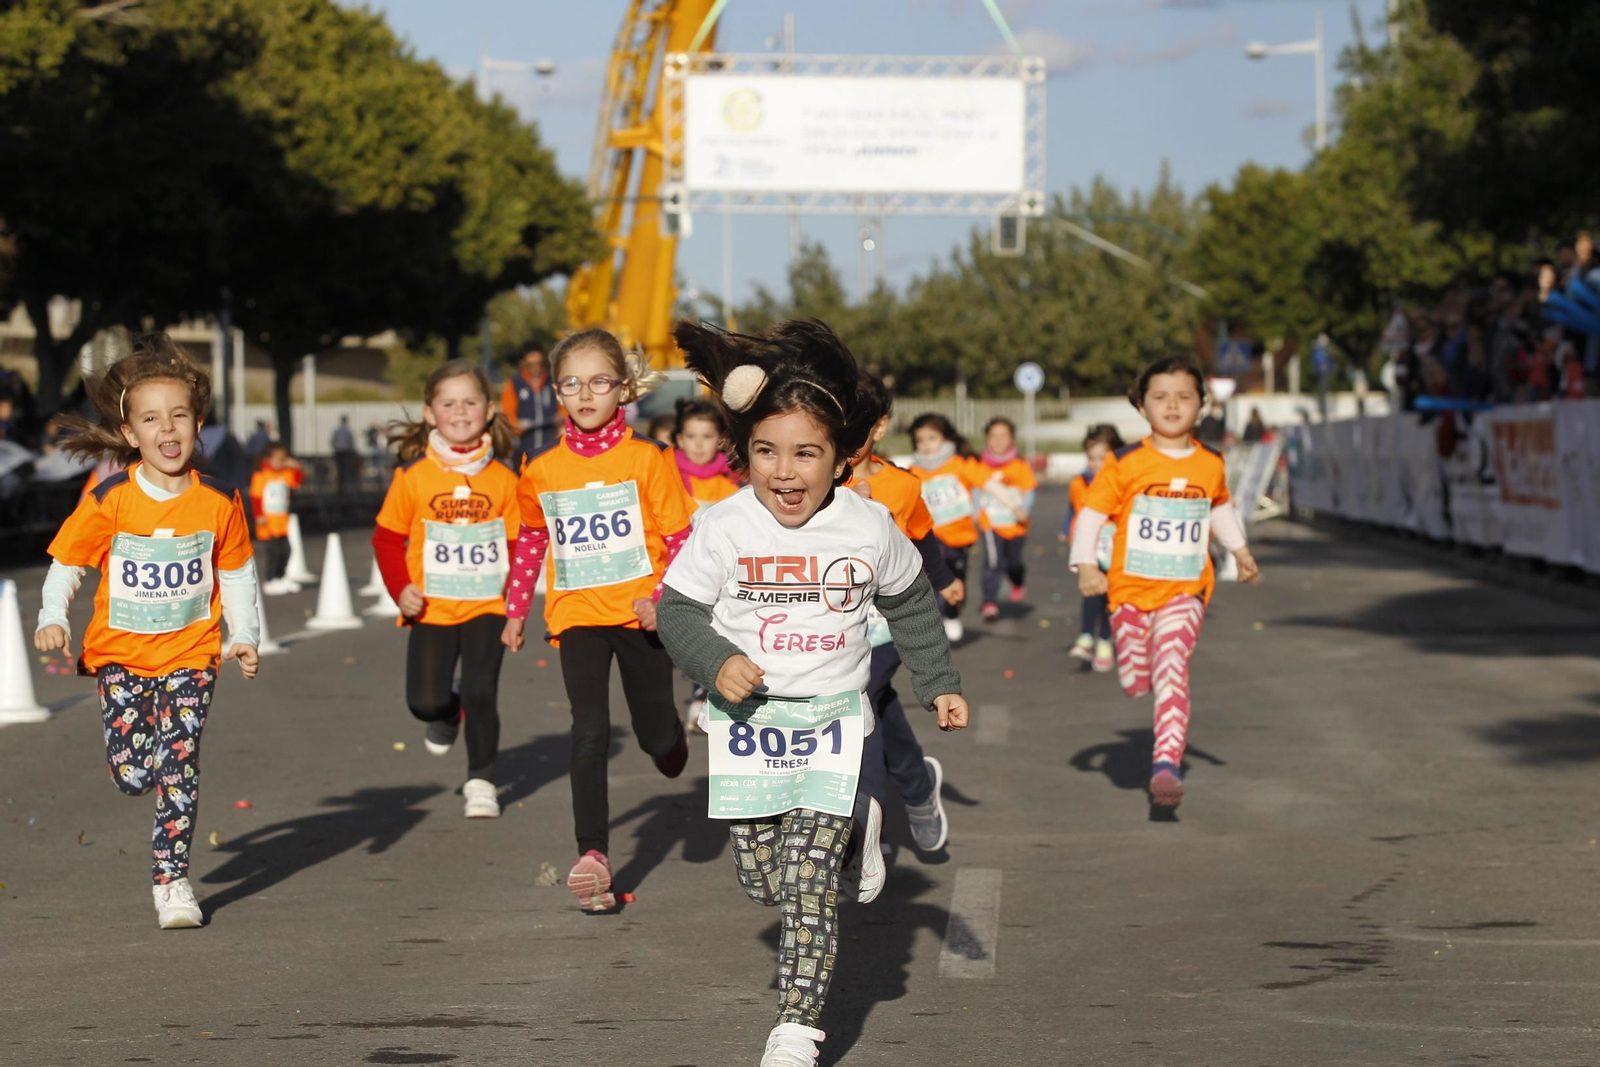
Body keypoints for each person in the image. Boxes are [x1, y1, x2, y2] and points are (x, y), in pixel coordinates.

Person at [657, 319, 968, 1067]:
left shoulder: (869, 525)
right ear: (744, 452)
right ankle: (863, 825)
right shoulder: (724, 524)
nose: (785, 472)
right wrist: (716, 661)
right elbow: (677, 610)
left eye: (806, 453)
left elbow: (911, 600)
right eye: (767, 451)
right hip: (747, 726)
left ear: (842, 457)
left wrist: (938, 682)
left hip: (833, 723)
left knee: (806, 883)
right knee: (762, 878)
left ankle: (795, 1029)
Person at [33, 331, 260, 929]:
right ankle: (139, 769)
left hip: (191, 654)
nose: (167, 428)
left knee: (179, 765)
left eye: (179, 415)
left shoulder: (219, 501)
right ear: (131, 433)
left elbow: (237, 572)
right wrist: (52, 616)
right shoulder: (111, 498)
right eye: (151, 419)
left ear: (197, 423)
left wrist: (244, 634)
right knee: (135, 775)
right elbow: (67, 564)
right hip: (121, 658)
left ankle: (172, 881)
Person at [500, 328, 696, 910]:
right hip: (577, 613)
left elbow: (682, 540)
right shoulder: (540, 466)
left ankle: (669, 741)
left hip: (640, 615)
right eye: (571, 383)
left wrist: (661, 599)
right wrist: (515, 610)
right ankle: (593, 855)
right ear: (556, 391)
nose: (585, 395)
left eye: (599, 382)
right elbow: (531, 538)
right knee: (587, 730)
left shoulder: (649, 458)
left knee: (654, 733)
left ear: (624, 389)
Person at [1069, 357, 1259, 812]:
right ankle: (1136, 670)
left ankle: (1166, 766)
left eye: (1184, 397)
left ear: (1201, 405)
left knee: (1173, 667)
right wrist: (1087, 566)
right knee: (1138, 681)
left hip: (1186, 589)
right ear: (1142, 406)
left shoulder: (1210, 462)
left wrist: (1240, 551)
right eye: (1160, 397)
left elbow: (1219, 507)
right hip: (1129, 592)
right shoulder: (1124, 462)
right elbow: (1092, 515)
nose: (1172, 405)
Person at [372, 361, 520, 819]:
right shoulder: (413, 476)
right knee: (425, 702)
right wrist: (401, 589)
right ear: (429, 413)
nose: (459, 412)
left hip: (487, 604)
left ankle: (482, 781)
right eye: (448, 403)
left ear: (489, 410)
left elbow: (519, 545)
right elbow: (386, 539)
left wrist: (514, 602)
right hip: (431, 606)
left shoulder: (505, 480)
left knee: (481, 690)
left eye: (470, 402)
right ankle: (447, 710)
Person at [847, 370, 964, 853]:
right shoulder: (813, 479)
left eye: (857, 424)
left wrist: (945, 580)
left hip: (889, 620)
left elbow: (923, 538)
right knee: (876, 702)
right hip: (835, 620)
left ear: (880, 426)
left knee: (860, 696)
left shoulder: (902, 485)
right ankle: (918, 787)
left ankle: (867, 821)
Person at [907, 413, 987, 643]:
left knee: (956, 579)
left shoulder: (960, 463)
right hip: (929, 536)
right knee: (931, 578)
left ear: (946, 438)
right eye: (920, 440)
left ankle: (952, 614)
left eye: (932, 438)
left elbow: (987, 482)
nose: (926, 445)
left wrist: (1014, 505)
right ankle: (933, 619)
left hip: (959, 538)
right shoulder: (914, 470)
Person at [1062, 424, 1123, 673]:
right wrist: (1066, 529)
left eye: (1102, 458)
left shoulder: (1121, 483)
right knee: (1090, 591)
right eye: (1091, 458)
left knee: (1109, 597)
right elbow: (1073, 509)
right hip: (1090, 548)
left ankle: (1105, 641)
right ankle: (1086, 636)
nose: (1096, 464)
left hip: (1115, 548)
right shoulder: (1079, 483)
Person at [974, 417, 1037, 621]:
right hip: (990, 524)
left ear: (1012, 439)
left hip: (1016, 525)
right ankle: (989, 601)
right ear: (987, 438)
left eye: (1004, 436)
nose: (999, 440)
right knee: (993, 561)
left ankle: (1017, 581)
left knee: (1013, 563)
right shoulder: (980, 465)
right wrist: (974, 513)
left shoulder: (1020, 465)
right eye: (994, 436)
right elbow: (976, 490)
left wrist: (1023, 510)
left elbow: (1029, 491)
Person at [250, 443, 304, 595]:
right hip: (269, 522)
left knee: (286, 550)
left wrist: (296, 466)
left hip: (282, 522)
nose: (281, 462)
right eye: (278, 459)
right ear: (268, 459)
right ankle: (270, 579)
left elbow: (298, 480)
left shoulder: (285, 474)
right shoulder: (261, 476)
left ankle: (281, 576)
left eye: (283, 459)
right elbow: (256, 497)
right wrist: (259, 515)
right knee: (273, 552)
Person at [672, 399, 740, 510]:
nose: (699, 444)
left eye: (707, 436)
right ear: (680, 440)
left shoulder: (732, 480)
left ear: (721, 441)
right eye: (691, 436)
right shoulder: (671, 476)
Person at [500, 344, 560, 467]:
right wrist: (516, 425)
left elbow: (564, 408)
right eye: (531, 364)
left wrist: (560, 419)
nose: (536, 368)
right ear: (523, 364)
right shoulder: (514, 383)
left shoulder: (552, 382)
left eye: (539, 363)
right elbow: (508, 414)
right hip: (524, 446)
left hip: (550, 442)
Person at [331, 414, 358, 492]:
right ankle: (346, 487)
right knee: (347, 469)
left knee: (340, 469)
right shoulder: (348, 430)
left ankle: (340, 487)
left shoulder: (336, 430)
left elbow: (333, 441)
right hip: (346, 452)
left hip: (338, 451)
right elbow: (351, 442)